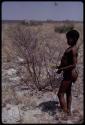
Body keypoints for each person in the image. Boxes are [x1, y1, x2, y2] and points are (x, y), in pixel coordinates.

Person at [57, 29, 79, 115]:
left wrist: (62, 69)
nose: (67, 40)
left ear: (74, 39)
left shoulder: (73, 50)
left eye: (68, 39)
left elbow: (73, 65)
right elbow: (67, 62)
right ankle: (69, 111)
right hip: (69, 73)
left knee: (60, 94)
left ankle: (65, 112)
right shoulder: (70, 48)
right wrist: (60, 67)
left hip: (70, 74)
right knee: (68, 92)